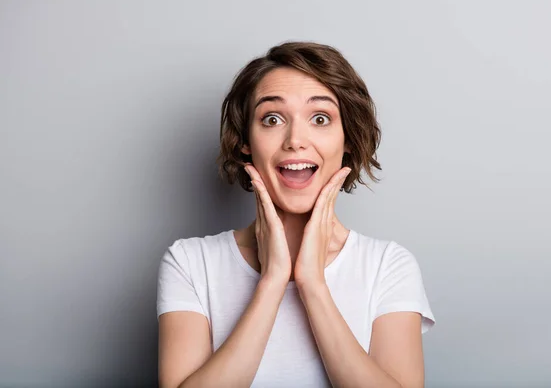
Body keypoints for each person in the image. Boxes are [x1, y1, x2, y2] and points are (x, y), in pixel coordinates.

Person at [156, 41, 435, 388]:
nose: (295, 140)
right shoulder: (190, 262)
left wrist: (311, 285)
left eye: (320, 118)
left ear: (347, 138)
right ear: (246, 141)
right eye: (272, 119)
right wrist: (272, 283)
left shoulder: (389, 266)